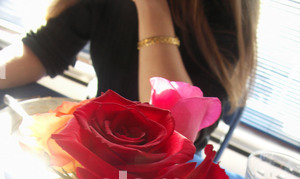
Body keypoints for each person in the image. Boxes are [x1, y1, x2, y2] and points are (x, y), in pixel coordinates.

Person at [0, 0, 260, 149]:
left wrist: (151, 5)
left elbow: (173, 127)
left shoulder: (223, 11)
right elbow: (40, 51)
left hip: (164, 176)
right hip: (102, 143)